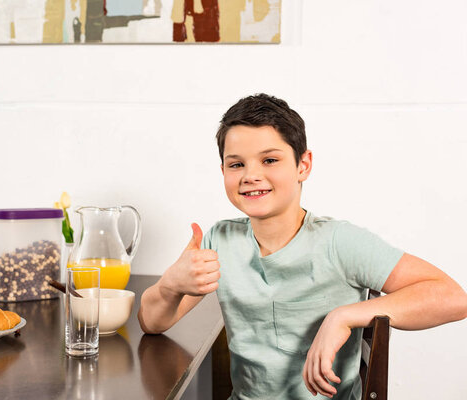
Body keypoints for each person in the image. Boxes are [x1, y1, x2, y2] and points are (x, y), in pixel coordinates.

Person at [137, 94, 467, 399]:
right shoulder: (218, 241)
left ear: (303, 166)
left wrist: (345, 316)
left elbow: (452, 298)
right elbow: (152, 322)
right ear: (223, 170)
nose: (251, 175)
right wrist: (170, 285)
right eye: (237, 164)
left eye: (269, 160)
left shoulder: (340, 242)